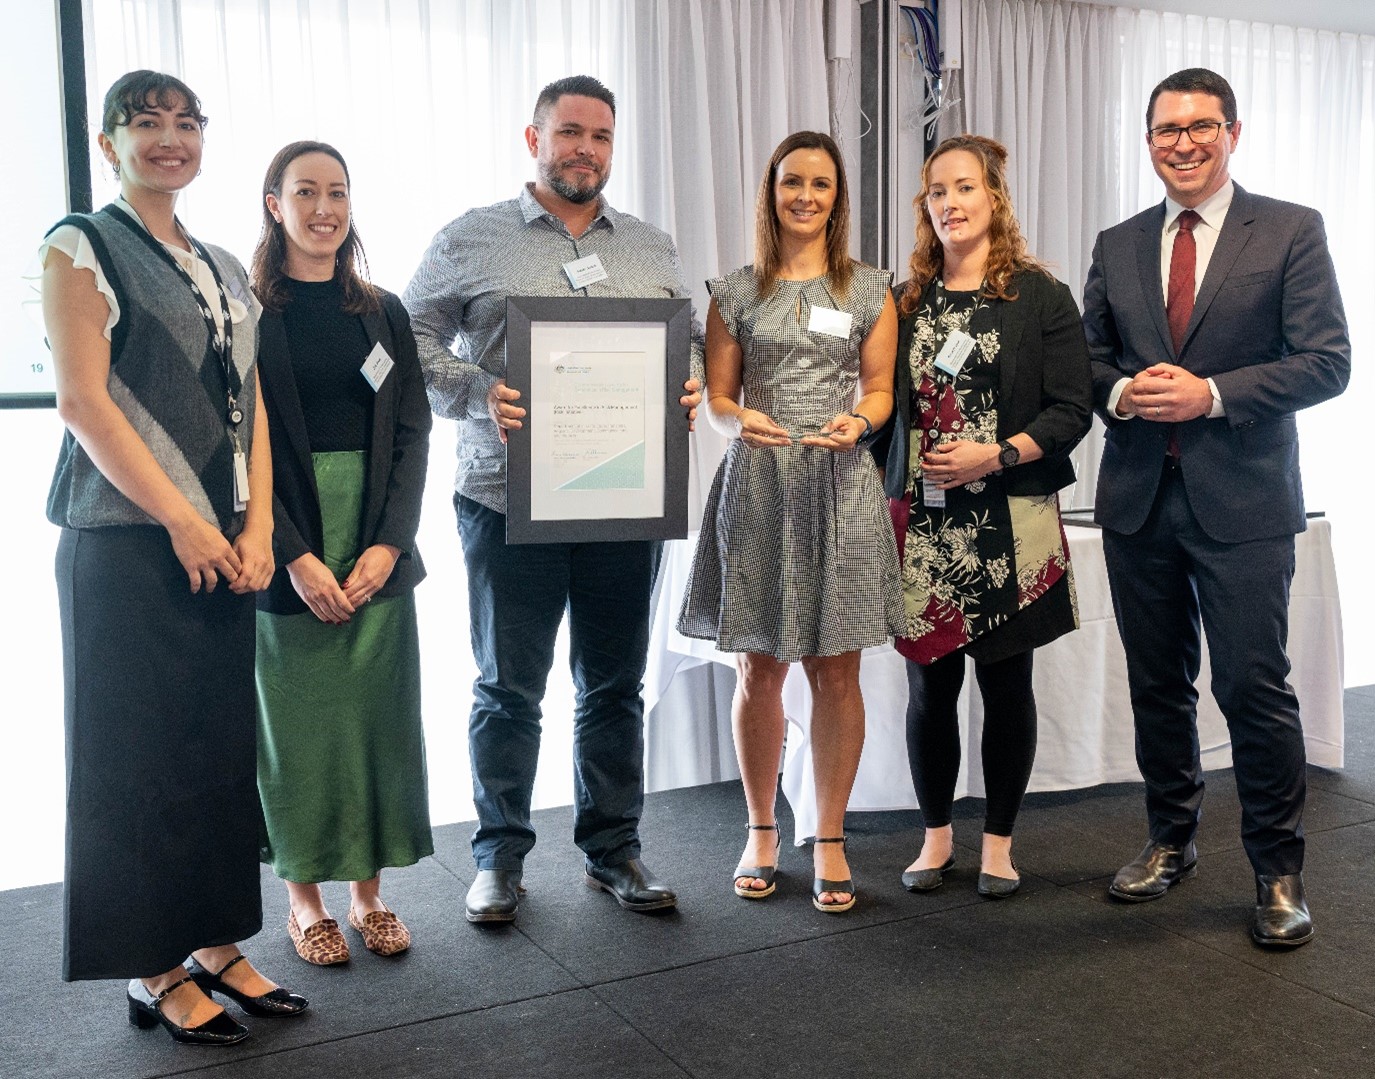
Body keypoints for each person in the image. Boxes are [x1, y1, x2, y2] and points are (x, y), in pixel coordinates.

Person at [41, 70, 306, 1045]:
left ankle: (215, 940)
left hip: (227, 545)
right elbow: (82, 402)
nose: (169, 139)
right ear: (107, 139)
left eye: (185, 123)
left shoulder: (224, 262)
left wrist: (257, 527)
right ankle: (154, 966)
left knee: (215, 751)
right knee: (136, 761)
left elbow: (254, 407)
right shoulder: (81, 242)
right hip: (124, 545)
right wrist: (186, 523)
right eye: (145, 123)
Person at [403, 74, 702, 924]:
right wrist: (478, 391)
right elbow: (411, 340)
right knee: (508, 686)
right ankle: (498, 858)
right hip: (506, 499)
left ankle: (614, 850)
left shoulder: (649, 245)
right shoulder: (472, 237)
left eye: (601, 136)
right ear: (532, 139)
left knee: (613, 684)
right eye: (569, 132)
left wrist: (681, 389)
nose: (585, 149)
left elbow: (678, 352)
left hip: (624, 500)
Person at [1083, 68, 1350, 947]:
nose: (1183, 143)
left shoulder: (1289, 231)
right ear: (1148, 140)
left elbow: (1326, 362)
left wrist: (1211, 393)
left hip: (1244, 504)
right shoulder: (1118, 243)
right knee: (1157, 686)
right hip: (1136, 501)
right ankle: (1171, 838)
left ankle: (1278, 871)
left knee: (1251, 688)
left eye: (1200, 126)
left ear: (1233, 131)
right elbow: (1084, 362)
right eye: (1166, 130)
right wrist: (1122, 394)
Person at [677, 131, 900, 913]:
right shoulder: (735, 291)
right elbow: (718, 397)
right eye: (791, 182)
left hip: (839, 483)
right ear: (770, 191)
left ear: (838, 199)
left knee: (838, 668)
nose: (805, 196)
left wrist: (860, 424)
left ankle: (830, 833)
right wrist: (738, 422)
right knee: (758, 666)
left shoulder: (870, 288)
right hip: (762, 481)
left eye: (821, 185)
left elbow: (879, 389)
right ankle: (762, 827)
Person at [876, 135, 1092, 899]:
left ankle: (997, 842)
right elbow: (881, 408)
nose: (950, 203)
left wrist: (994, 454)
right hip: (925, 530)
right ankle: (935, 837)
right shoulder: (904, 301)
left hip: (1012, 521)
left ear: (993, 198)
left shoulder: (1039, 296)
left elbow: (1073, 409)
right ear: (924, 205)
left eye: (964, 188)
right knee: (929, 691)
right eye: (937, 191)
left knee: (1006, 689)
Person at [251, 141, 434, 965]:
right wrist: (293, 554)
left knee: (374, 725)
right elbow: (235, 445)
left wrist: (391, 542)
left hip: (373, 542)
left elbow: (411, 431)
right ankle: (304, 902)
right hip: (285, 544)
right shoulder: (250, 311)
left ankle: (368, 897)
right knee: (299, 731)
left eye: (338, 192)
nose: (324, 207)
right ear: (274, 203)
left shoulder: (383, 311)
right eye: (306, 192)